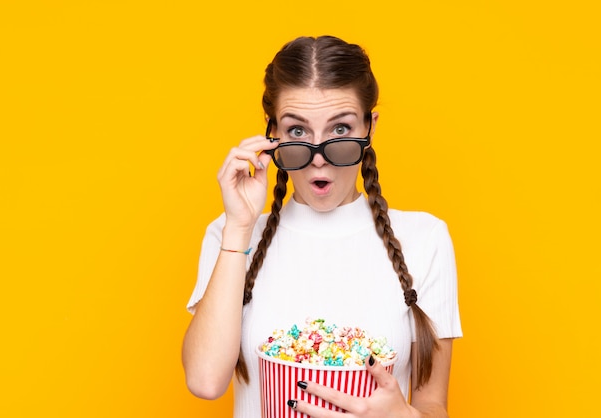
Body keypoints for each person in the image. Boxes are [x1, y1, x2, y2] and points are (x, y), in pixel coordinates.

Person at [182, 35, 462, 417]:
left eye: (340, 130)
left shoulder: (425, 240)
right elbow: (205, 381)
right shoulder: (231, 235)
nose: (319, 158)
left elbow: (433, 406)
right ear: (273, 135)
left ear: (370, 127)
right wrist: (238, 228)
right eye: (297, 132)